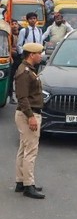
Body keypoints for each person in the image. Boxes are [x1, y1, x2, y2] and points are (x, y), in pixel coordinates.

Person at [14, 42, 46, 198]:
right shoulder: (25, 73)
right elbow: (22, 98)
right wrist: (31, 117)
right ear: (31, 55)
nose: (41, 56)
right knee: (30, 151)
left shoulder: (28, 70)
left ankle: (21, 181)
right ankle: (29, 185)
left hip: (27, 113)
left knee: (23, 148)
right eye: (39, 53)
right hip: (28, 114)